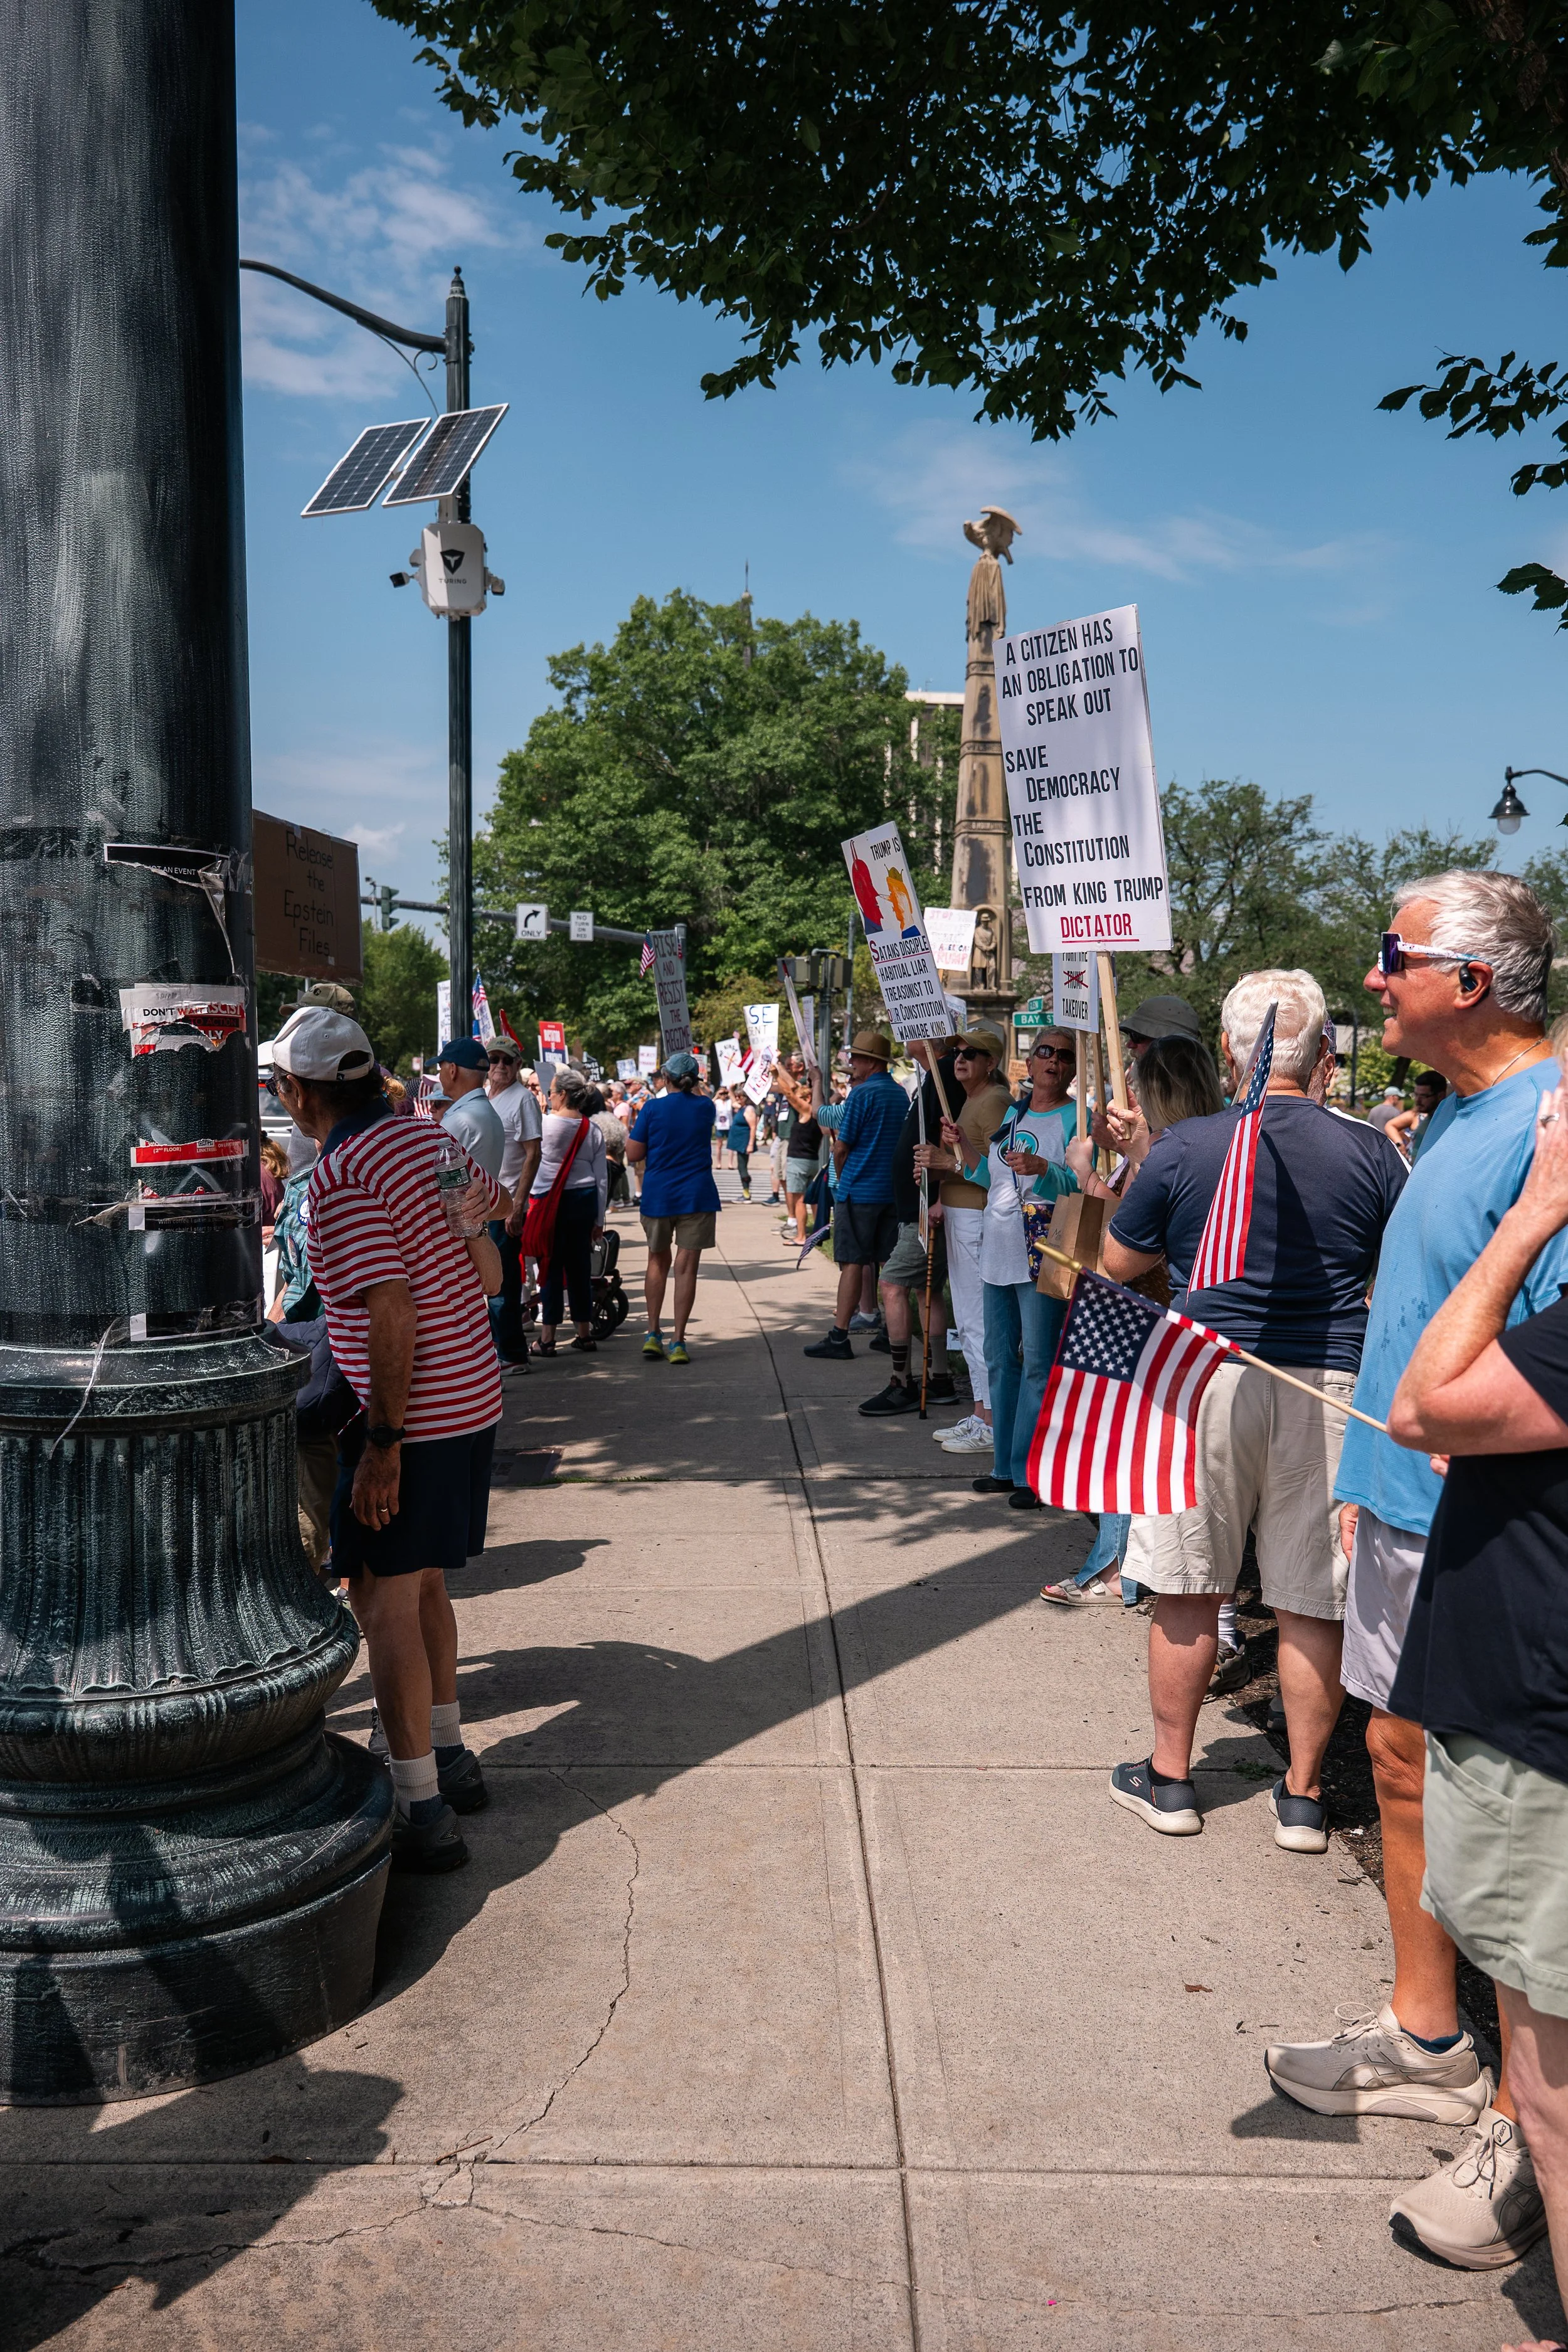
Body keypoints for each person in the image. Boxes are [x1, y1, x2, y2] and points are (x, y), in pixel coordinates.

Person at [1264, 870, 1566, 2269]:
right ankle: (1426, 2033)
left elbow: (1527, 1367)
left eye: (1391, 958)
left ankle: (1527, 2113)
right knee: (1395, 1762)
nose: (1368, 980)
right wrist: (1357, 1485)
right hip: (1388, 1498)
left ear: (1471, 983)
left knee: (1502, 1822)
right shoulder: (1452, 1113)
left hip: (1478, 1521)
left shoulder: (1545, 1122)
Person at [1103, 968, 1406, 1852]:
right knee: (1313, 1596)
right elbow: (1399, 1277)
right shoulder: (1372, 1151)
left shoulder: (1189, 1146)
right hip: (1330, 1381)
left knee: (1189, 1579)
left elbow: (1119, 1263)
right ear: (1318, 1056)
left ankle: (1169, 1778)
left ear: (1233, 1051)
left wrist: (1137, 1163)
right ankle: (1305, 1795)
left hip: (1206, 1369)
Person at [272, 1005, 504, 1875]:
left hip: (422, 1412)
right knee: (424, 1583)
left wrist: (383, 1441)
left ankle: (420, 1804)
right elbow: (494, 1213)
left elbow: (389, 1312)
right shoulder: (425, 1137)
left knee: (381, 1599)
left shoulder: (341, 1175)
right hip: (472, 1394)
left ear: (298, 1092)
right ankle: (446, 1753)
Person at [1041, 1032, 1226, 1608]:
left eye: (1138, 1094)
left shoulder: (1174, 1153)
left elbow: (1132, 1242)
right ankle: (1127, 1569)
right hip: (1143, 1317)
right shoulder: (1192, 1147)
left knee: (1130, 1452)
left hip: (1148, 1317)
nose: (1128, 1106)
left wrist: (1086, 1176)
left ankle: (1117, 1571)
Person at [933, 1026, 1078, 1503]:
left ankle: (1034, 1475)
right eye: (1045, 1052)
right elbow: (985, 1176)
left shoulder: (1077, 1117)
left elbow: (1086, 1186)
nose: (1053, 1061)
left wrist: (1046, 1171)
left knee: (1038, 1361)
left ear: (1073, 1068)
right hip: (997, 1249)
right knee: (1000, 1359)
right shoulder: (1014, 1113)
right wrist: (961, 1149)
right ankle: (1005, 1465)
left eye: (1063, 1055)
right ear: (1030, 1062)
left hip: (1046, 1250)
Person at [914, 1030, 1010, 1453]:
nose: (960, 1058)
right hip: (959, 1215)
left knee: (978, 1322)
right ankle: (980, 1413)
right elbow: (962, 1162)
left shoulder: (996, 1101)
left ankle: (992, 1420)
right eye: (957, 1052)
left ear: (991, 1062)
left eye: (972, 1054)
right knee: (968, 1321)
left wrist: (946, 1162)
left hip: (977, 1217)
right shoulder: (972, 1100)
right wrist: (935, 1171)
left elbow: (999, 1170)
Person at [860, 1044, 960, 1417]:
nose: (903, 1031)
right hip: (916, 1207)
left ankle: (901, 1380)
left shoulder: (947, 1070)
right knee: (925, 1289)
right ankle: (939, 1378)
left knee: (892, 1284)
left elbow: (951, 1138)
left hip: (928, 1207)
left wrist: (939, 1195)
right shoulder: (932, 1073)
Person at [803, 1032, 906, 1362]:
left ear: (872, 1061)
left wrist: (844, 1178)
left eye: (857, 1058)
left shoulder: (862, 1095)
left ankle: (839, 1336)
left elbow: (841, 1147)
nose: (852, 1063)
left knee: (851, 1263)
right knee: (888, 1262)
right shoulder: (900, 1094)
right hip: (890, 1192)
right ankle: (891, 1331)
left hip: (859, 1191)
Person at [627, 1050, 719, 1364]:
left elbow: (633, 1154)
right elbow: (700, 1097)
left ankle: (653, 1333)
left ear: (665, 1078)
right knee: (686, 1268)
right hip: (697, 1195)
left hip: (659, 1195)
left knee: (657, 1262)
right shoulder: (706, 1107)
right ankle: (679, 1341)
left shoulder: (652, 1108)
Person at [531, 1066, 608, 1355]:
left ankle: (548, 1338)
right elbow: (602, 1178)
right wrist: (599, 1219)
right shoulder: (593, 1129)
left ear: (562, 1095)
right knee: (580, 1268)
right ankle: (585, 1334)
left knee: (550, 1267)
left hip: (550, 1202)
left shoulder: (544, 1125)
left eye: (551, 1092)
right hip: (584, 1201)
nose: (549, 1097)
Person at [485, 1034, 542, 1369]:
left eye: (507, 1060)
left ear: (519, 1065)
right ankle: (501, 1347)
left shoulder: (523, 1099)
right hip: (487, 1205)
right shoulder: (489, 1096)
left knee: (502, 1282)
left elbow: (533, 1154)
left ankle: (512, 1353)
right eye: (495, 1060)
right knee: (491, 1283)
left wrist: (518, 1206)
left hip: (506, 1206)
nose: (501, 1066)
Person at [771, 1054, 825, 1246]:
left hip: (798, 1161)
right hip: (812, 1160)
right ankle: (819, 1232)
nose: (799, 1099)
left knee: (800, 1199)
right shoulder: (821, 1112)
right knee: (813, 1199)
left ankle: (802, 1236)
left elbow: (789, 1094)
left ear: (809, 1097)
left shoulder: (806, 1111)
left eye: (803, 1096)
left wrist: (776, 1074)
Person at [437, 1037, 506, 1180]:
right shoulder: (489, 1113)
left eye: (440, 1067)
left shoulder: (459, 1120)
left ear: (452, 1070)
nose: (439, 1075)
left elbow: (435, 1178)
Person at [1387, 1067, 1449, 1163]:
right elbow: (1390, 1125)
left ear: (1440, 1096)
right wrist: (1400, 1145)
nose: (1418, 1100)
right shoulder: (1419, 1116)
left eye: (1423, 1096)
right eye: (1416, 1095)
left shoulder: (1448, 1123)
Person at [728, 1086, 758, 1200]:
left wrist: (751, 1144)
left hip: (744, 1142)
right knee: (741, 1166)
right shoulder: (741, 1107)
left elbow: (753, 1127)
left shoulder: (749, 1109)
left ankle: (746, 1193)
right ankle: (745, 1192)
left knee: (742, 1167)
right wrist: (730, 1090)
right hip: (739, 1141)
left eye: (740, 1096)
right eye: (737, 1097)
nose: (738, 1099)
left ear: (746, 1097)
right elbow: (733, 1102)